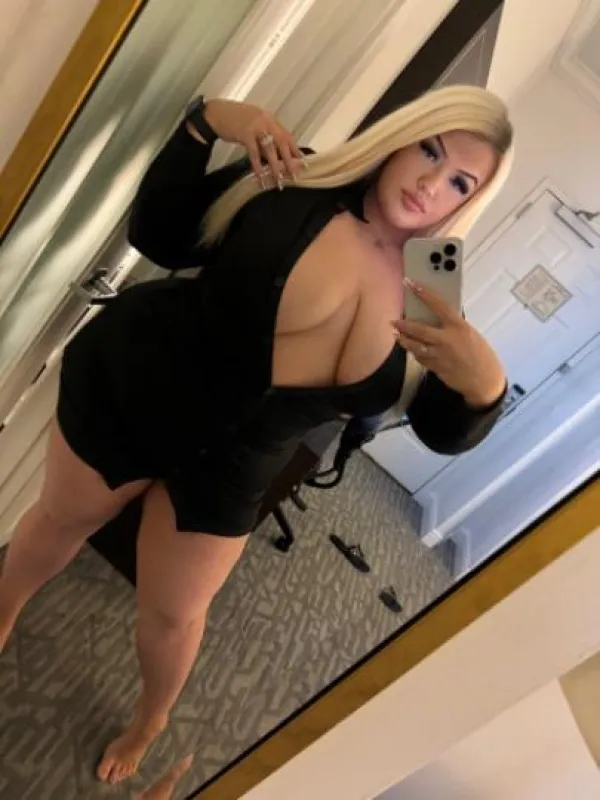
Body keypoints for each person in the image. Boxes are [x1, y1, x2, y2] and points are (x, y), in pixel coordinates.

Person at [0, 85, 513, 783]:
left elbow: (437, 428)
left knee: (175, 616)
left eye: (459, 182)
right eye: (430, 150)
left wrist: (485, 389)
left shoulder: (433, 282)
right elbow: (161, 233)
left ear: (470, 201)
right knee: (60, 520)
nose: (431, 184)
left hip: (235, 464)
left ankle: (151, 719)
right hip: (141, 387)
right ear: (401, 136)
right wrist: (205, 123)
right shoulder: (300, 175)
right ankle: (4, 611)